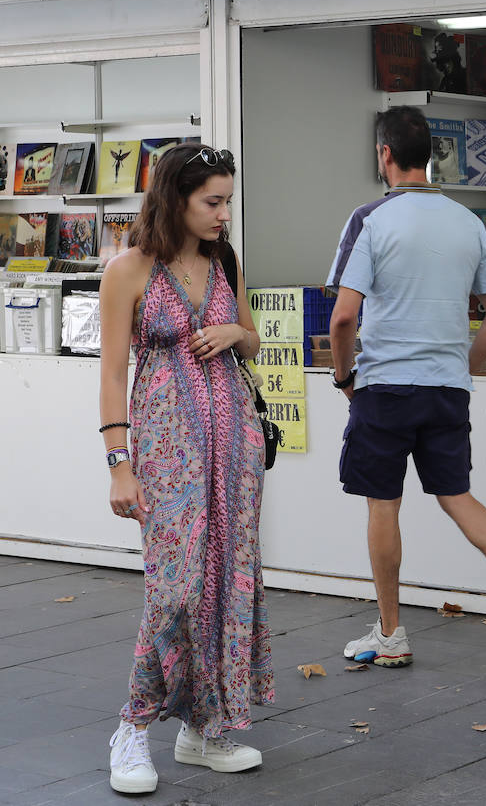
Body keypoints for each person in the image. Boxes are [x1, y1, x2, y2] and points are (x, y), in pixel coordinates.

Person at [328, 107, 486, 673]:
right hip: (446, 389)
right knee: (457, 495)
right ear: (428, 156)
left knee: (385, 505)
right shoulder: (469, 222)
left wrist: (343, 378)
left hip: (384, 388)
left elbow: (341, 319)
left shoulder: (370, 220)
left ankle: (391, 633)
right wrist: (465, 363)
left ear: (384, 155)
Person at [99, 144, 271, 794]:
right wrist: (120, 465)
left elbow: (251, 337)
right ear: (175, 198)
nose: (225, 213)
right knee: (174, 588)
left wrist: (233, 334)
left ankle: (204, 727)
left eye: (228, 200)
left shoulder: (222, 259)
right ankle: (134, 725)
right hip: (167, 454)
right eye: (213, 201)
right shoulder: (129, 270)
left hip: (236, 450)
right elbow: (113, 374)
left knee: (229, 584)